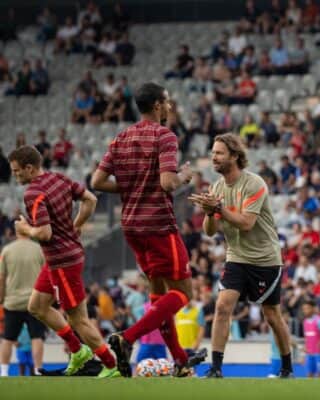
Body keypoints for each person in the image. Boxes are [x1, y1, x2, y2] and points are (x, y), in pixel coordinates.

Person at [91, 82, 205, 378]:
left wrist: (130, 188)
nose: (169, 107)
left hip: (131, 227)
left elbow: (97, 182)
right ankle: (126, 338)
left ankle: (180, 362)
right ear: (157, 105)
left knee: (158, 297)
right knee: (183, 293)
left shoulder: (121, 138)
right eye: (166, 102)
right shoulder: (164, 136)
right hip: (158, 225)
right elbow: (168, 183)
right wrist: (185, 175)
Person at [7, 145, 119, 378]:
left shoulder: (33, 193)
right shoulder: (58, 178)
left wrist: (25, 228)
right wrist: (75, 226)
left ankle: (112, 365)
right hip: (61, 257)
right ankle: (78, 352)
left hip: (62, 261)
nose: (15, 175)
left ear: (29, 168)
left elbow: (45, 233)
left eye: (17, 171)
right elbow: (90, 200)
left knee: (78, 319)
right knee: (36, 306)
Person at [189, 133, 293, 378]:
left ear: (234, 156)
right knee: (223, 306)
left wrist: (219, 208)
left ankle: (287, 367)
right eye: (212, 152)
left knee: (272, 315)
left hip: (265, 259)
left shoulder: (254, 183)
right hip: (236, 257)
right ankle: (215, 368)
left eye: (219, 153)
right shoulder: (216, 188)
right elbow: (210, 231)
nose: (213, 157)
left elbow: (246, 223)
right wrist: (208, 212)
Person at [0, 230, 46, 377]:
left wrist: (1, 298)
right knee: (37, 337)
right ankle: (38, 370)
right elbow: (47, 275)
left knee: (8, 338)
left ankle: (4, 372)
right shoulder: (39, 250)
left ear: (16, 233)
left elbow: (1, 278)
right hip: (35, 301)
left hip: (13, 301)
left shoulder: (7, 250)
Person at [302, 300, 320, 378]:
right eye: (303, 309)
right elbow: (306, 338)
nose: (305, 311)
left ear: (313, 309)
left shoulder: (319, 320)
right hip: (309, 353)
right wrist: (303, 355)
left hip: (319, 353)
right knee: (309, 375)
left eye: (307, 308)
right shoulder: (305, 322)